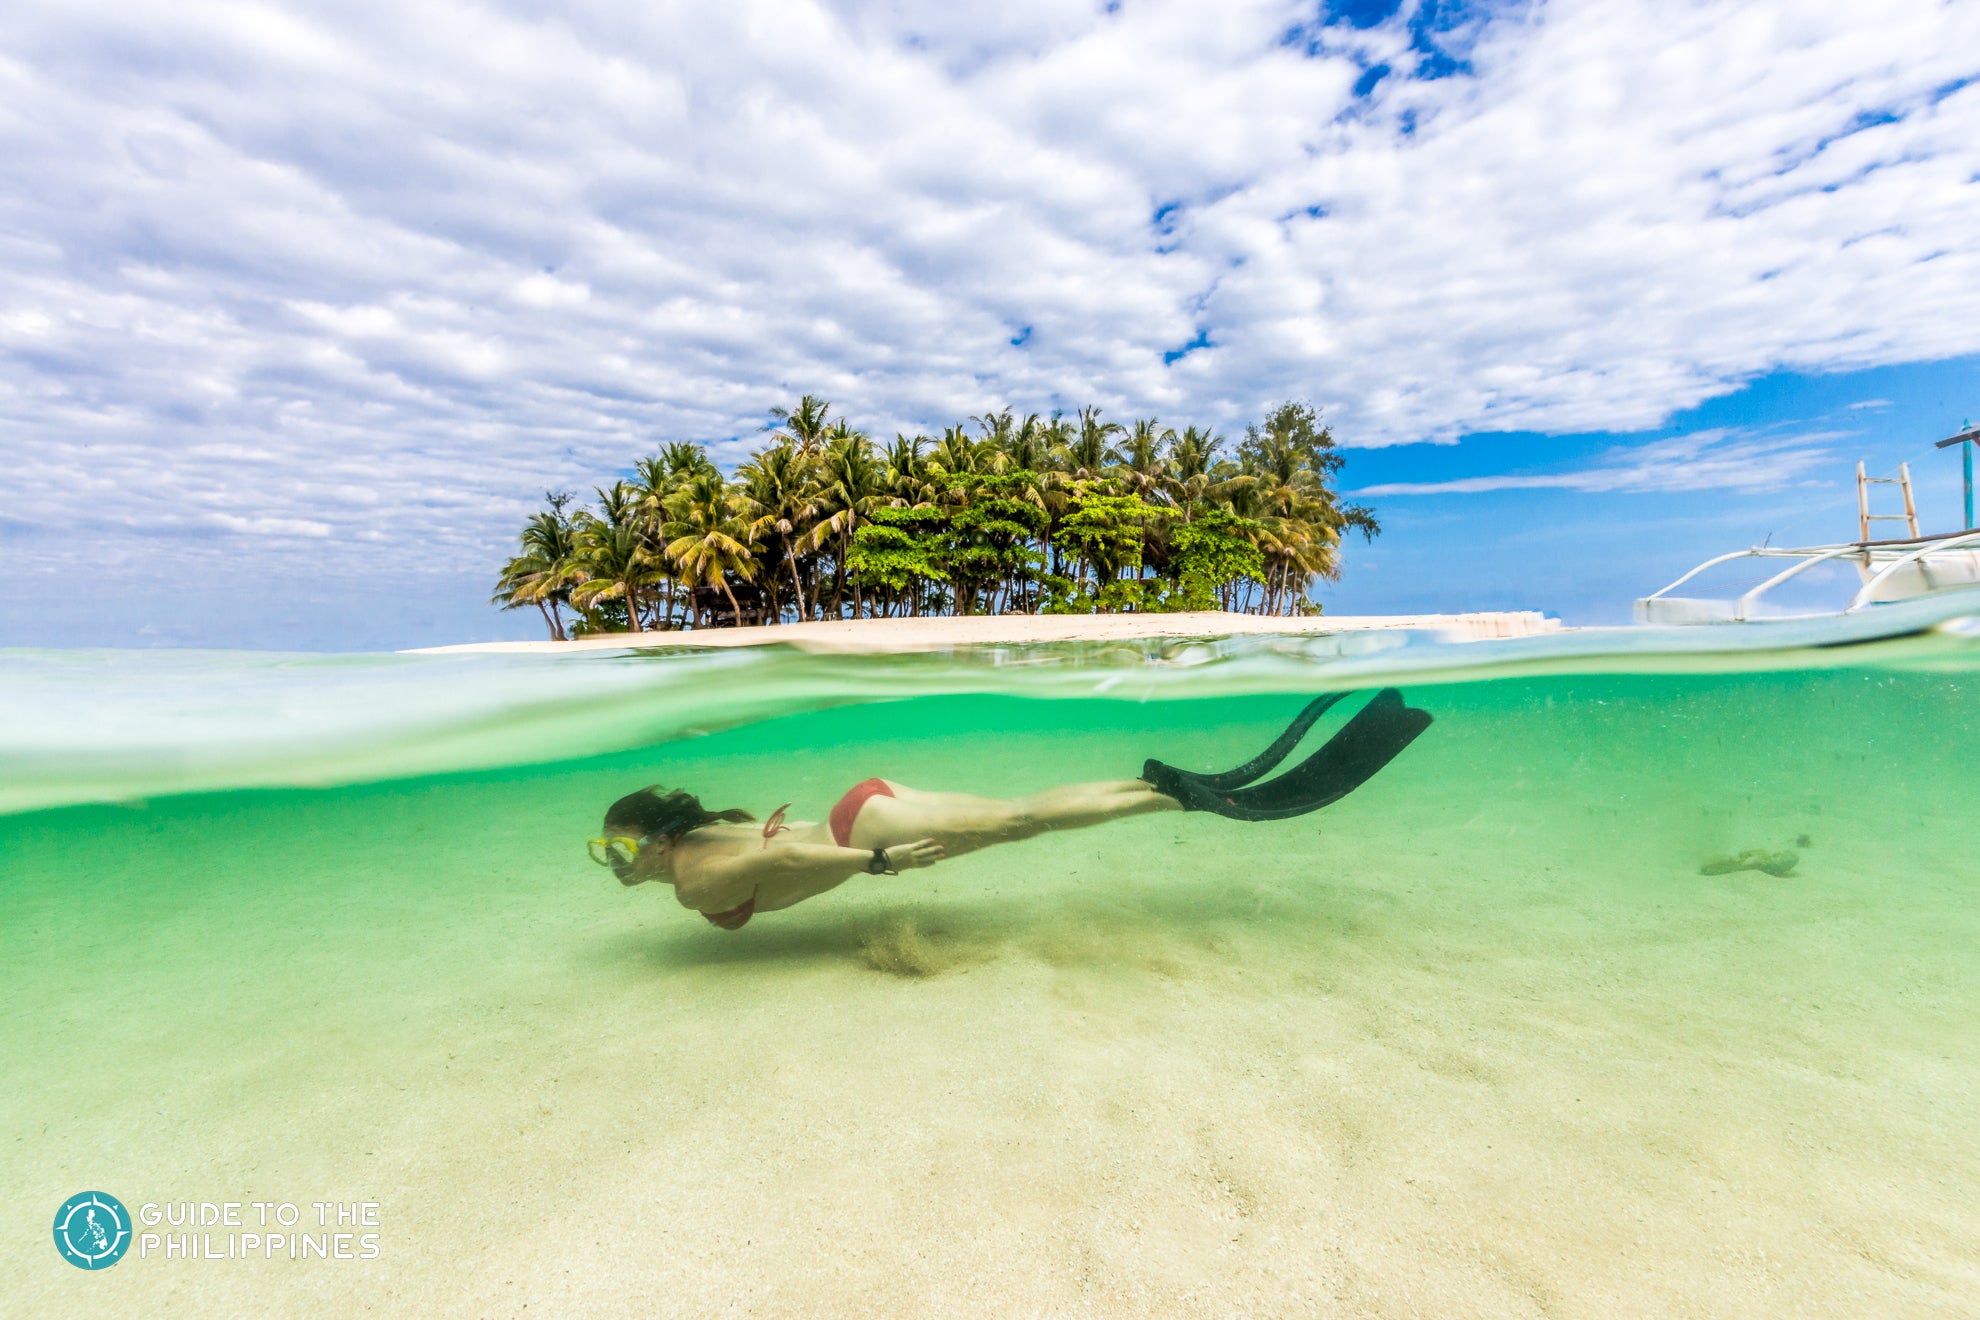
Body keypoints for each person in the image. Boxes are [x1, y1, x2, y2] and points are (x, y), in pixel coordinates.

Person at [588, 688, 1431, 930]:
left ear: (659, 844)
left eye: (621, 850)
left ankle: (1176, 800)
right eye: (609, 854)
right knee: (1023, 810)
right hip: (864, 801)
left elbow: (778, 862)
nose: (619, 864)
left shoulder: (692, 884)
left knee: (1025, 821)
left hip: (862, 832)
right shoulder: (699, 835)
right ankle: (1161, 788)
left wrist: (873, 864)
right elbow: (767, 844)